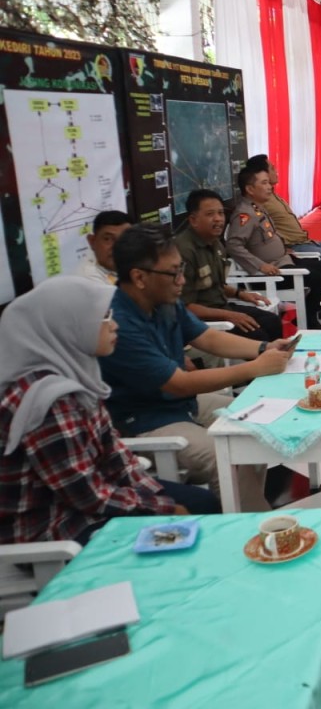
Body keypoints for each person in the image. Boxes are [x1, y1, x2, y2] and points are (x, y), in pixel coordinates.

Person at [0, 276, 219, 546]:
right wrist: (161, 508)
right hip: (58, 529)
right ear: (70, 326)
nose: (115, 326)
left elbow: (115, 455)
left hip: (90, 503)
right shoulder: (46, 402)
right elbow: (86, 495)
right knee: (190, 518)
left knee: (201, 503)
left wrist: (153, 496)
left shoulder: (80, 375)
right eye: (104, 318)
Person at [99, 224, 293, 511]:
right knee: (226, 455)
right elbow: (178, 382)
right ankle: (250, 531)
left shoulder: (163, 299)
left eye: (182, 269)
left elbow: (206, 336)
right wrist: (255, 368)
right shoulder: (120, 324)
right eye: (173, 272)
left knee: (256, 428)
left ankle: (250, 510)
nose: (181, 280)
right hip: (145, 422)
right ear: (139, 277)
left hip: (180, 404)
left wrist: (263, 349)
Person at [226, 165, 321, 330]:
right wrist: (260, 265)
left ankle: (310, 314)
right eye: (264, 183)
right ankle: (309, 321)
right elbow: (233, 245)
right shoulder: (245, 214)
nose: (269, 186)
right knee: (318, 278)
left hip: (283, 261)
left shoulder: (257, 208)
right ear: (250, 189)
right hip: (270, 273)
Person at [177, 189, 282, 344]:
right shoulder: (183, 251)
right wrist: (228, 315)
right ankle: (263, 365)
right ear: (193, 220)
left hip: (223, 307)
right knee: (258, 336)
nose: (218, 219)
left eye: (220, 213)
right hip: (203, 320)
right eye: (210, 214)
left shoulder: (215, 243)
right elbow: (183, 307)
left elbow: (215, 284)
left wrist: (240, 294)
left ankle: (276, 365)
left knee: (271, 321)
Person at [246, 154, 321, 281]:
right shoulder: (261, 202)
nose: (276, 172)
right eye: (272, 168)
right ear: (262, 174)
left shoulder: (273, 196)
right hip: (294, 246)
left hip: (305, 241)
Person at [76, 210, 133, 285]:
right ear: (92, 241)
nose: (118, 247)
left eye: (125, 239)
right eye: (108, 239)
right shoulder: (87, 281)